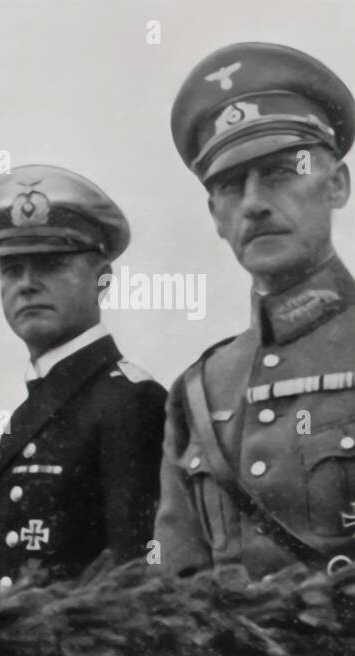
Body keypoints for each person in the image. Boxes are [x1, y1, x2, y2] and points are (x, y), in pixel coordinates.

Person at [157, 42, 355, 578]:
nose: (253, 203)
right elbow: (175, 591)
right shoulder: (199, 390)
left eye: (279, 172)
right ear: (215, 216)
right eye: (229, 185)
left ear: (337, 185)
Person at [0, 165, 167, 598]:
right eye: (10, 269)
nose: (27, 285)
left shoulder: (129, 400)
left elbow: (137, 577)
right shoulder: (31, 409)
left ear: (103, 279)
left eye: (52, 265)